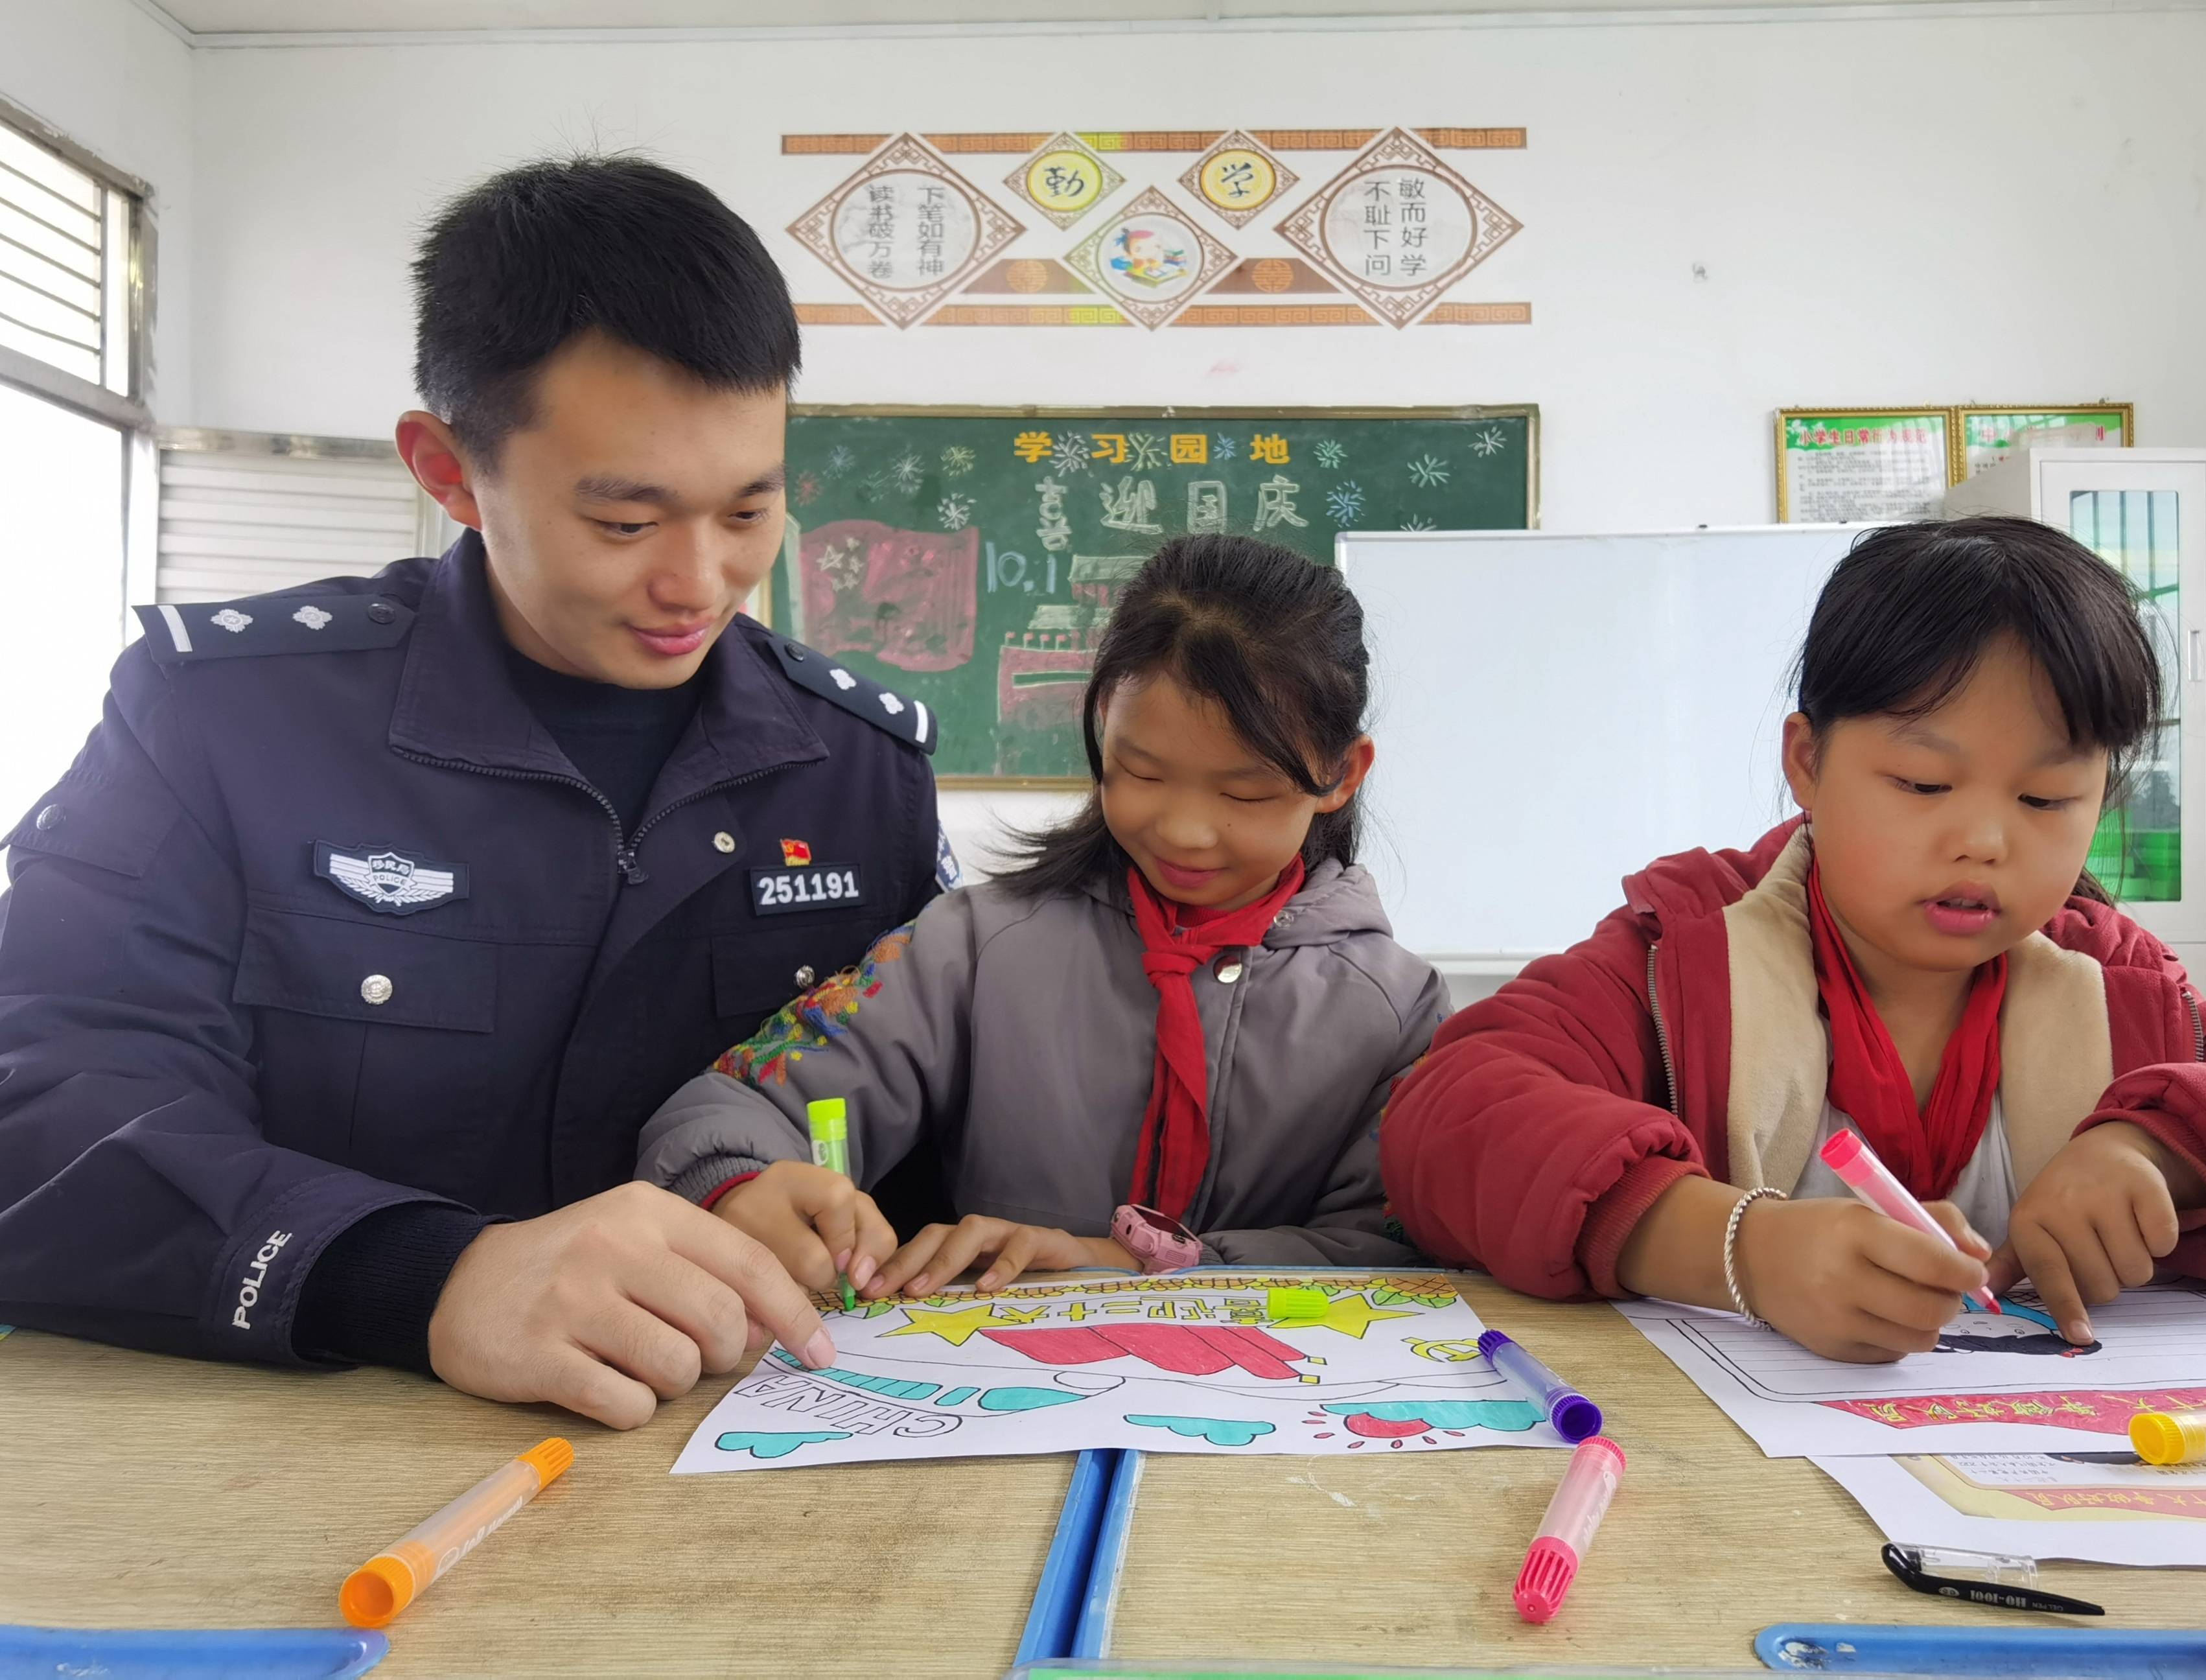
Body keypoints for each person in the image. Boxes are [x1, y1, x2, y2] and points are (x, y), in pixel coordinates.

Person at [0, 156, 951, 1429]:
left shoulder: (854, 769)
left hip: (739, 1460)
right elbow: (52, 1105)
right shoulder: (224, 719)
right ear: (448, 471)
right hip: (294, 1451)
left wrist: (813, 1203)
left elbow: (928, 1128)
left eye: (748, 509)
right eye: (627, 523)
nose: (701, 582)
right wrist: (419, 1275)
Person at [1380, 517, 2206, 1360]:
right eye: (1923, 781)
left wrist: (2171, 1153)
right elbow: (1446, 1117)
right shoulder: (1681, 963)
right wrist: (1734, 1247)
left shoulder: (2124, 1000)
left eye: (2049, 799)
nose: (1984, 841)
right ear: (1807, 761)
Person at [638, 535, 1448, 1297]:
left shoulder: (1396, 1010)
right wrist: (748, 1183)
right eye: (1140, 772)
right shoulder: (976, 948)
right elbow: (729, 1108)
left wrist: (1124, 1264)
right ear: (1102, 729)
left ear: (1342, 774)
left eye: (1244, 793)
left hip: (1274, 1428)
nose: (1184, 830)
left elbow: (1387, 1252)